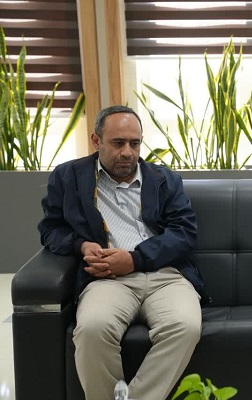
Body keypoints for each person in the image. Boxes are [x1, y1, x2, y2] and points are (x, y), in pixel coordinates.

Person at [38, 105, 204, 400]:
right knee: (92, 330)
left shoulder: (165, 180)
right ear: (96, 140)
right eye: (118, 143)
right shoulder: (68, 177)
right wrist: (80, 245)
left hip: (165, 276)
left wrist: (136, 258)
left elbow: (184, 233)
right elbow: (51, 229)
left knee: (185, 326)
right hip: (107, 279)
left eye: (135, 143)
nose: (128, 152)